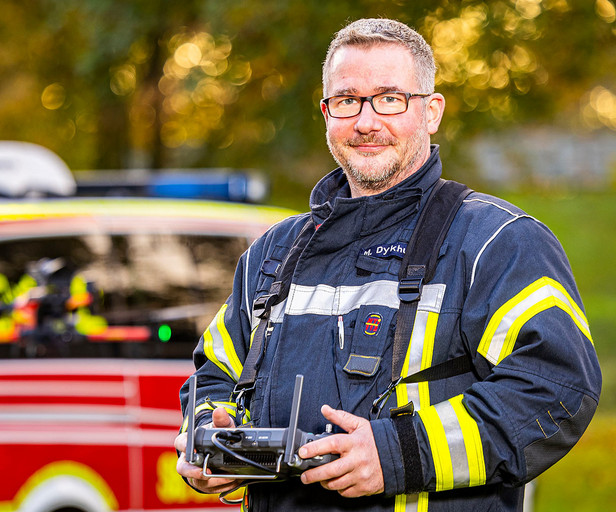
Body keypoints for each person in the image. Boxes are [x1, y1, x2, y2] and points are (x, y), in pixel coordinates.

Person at [174, 18, 601, 511]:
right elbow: (216, 371)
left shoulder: (495, 243)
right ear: (326, 112)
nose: (365, 120)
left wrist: (398, 455)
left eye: (389, 98)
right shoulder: (271, 254)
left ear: (431, 111)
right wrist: (212, 432)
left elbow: (556, 388)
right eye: (347, 100)